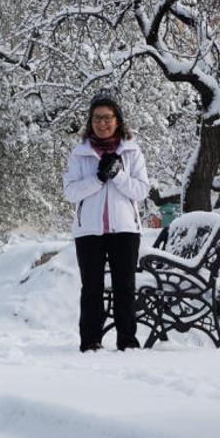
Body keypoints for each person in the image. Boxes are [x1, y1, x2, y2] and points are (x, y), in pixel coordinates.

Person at [63, 89, 151, 352]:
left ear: (117, 120)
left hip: (124, 229)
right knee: (91, 288)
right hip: (89, 231)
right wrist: (99, 178)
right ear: (90, 122)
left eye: (107, 118)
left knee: (125, 286)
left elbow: (141, 190)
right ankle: (90, 341)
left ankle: (127, 341)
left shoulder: (132, 152)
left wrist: (118, 175)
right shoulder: (80, 154)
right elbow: (71, 192)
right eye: (97, 118)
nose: (102, 123)